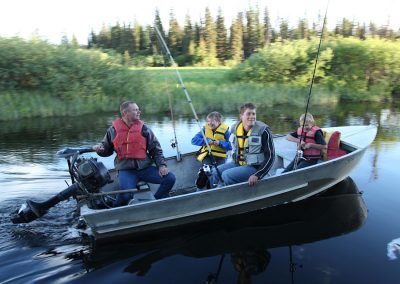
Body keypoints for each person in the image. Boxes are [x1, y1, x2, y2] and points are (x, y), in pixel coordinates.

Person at [93, 101, 176, 206]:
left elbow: (156, 150)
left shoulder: (144, 129)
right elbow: (106, 149)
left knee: (170, 178)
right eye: (135, 110)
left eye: (138, 109)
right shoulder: (112, 130)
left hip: (145, 168)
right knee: (126, 194)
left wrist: (162, 165)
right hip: (126, 170)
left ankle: (156, 203)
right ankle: (114, 210)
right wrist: (100, 150)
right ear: (125, 113)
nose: (139, 112)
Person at [210, 103, 275, 187]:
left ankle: (230, 195)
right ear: (241, 116)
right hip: (238, 163)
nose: (252, 116)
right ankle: (215, 192)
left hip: (254, 167)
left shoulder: (263, 130)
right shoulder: (234, 128)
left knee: (226, 175)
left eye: (253, 114)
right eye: (248, 114)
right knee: (215, 172)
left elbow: (271, 157)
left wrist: (258, 174)